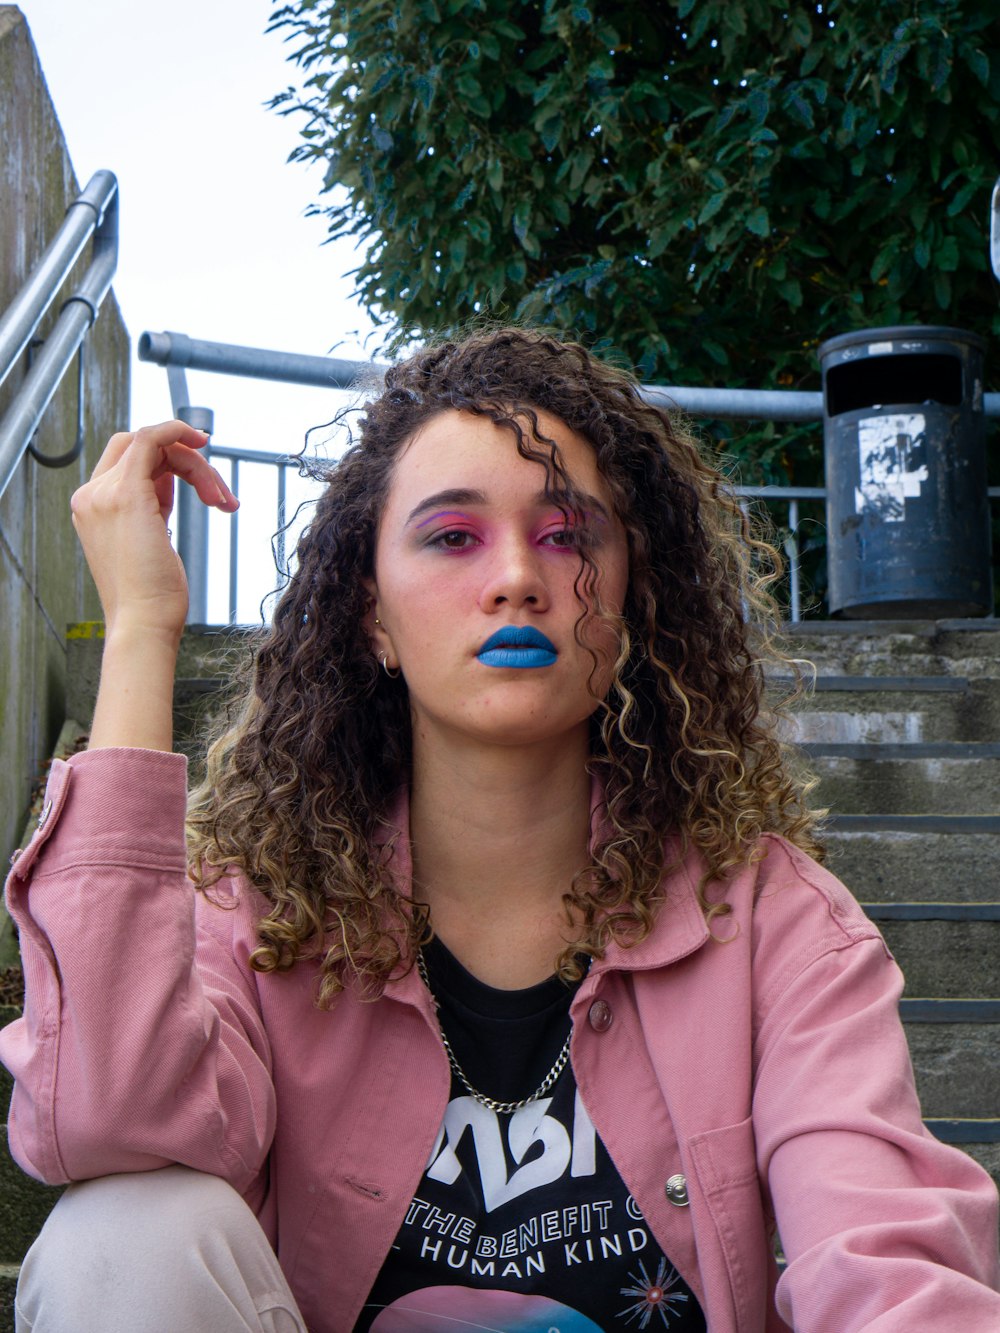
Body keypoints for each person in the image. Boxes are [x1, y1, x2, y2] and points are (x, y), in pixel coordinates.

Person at [2, 327, 999, 1333]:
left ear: (629, 601)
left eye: (567, 535)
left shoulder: (767, 918)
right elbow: (106, 1113)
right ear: (372, 617)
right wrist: (139, 626)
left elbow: (881, 1251)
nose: (518, 575)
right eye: (451, 537)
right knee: (121, 1234)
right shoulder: (267, 910)